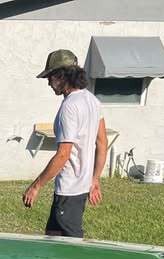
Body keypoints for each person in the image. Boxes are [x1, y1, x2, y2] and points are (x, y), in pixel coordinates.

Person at [22, 49, 107, 238]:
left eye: (49, 78)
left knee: (70, 247)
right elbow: (102, 143)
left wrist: (35, 187)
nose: (48, 83)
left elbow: (63, 154)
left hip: (69, 190)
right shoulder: (92, 101)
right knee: (52, 238)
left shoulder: (69, 107)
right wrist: (94, 179)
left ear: (61, 76)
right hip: (80, 188)